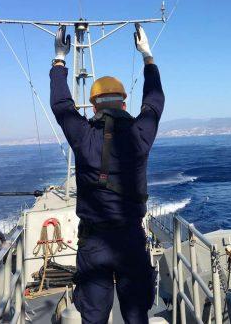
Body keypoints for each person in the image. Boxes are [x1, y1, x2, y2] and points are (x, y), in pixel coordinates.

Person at [49, 23, 164, 324]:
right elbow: (154, 102)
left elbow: (61, 105)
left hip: (94, 244)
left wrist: (59, 60)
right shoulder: (140, 134)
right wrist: (147, 56)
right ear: (124, 103)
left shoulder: (83, 136)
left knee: (94, 317)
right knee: (136, 315)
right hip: (131, 240)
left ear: (93, 106)